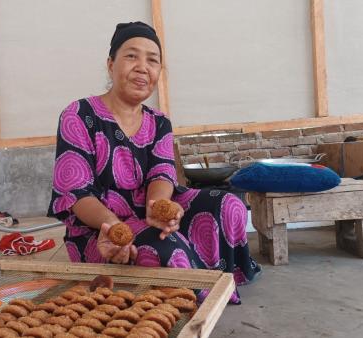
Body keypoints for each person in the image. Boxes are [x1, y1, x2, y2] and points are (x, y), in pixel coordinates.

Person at [47, 21, 261, 303]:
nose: (142, 67)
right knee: (166, 250)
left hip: (143, 212)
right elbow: (76, 193)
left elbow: (162, 174)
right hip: (100, 228)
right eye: (131, 56)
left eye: (152, 60)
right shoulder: (78, 114)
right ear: (111, 64)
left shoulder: (159, 121)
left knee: (230, 204)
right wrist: (114, 229)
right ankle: (191, 283)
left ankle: (215, 275)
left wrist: (157, 210)